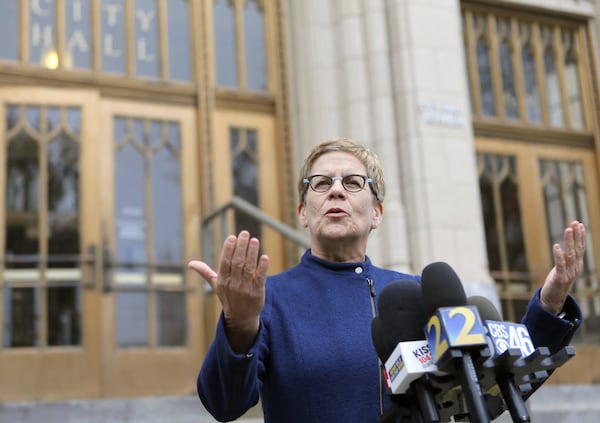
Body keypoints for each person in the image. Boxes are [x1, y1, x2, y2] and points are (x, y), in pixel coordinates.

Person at [188, 138, 585, 422]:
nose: (336, 191)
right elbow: (225, 405)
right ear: (303, 212)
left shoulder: (416, 294)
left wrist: (549, 307)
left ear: (376, 212)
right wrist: (240, 324)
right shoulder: (271, 297)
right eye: (321, 183)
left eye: (353, 182)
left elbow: (496, 383)